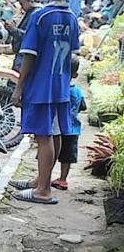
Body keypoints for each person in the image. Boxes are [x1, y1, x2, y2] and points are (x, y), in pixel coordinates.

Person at [10, 0, 81, 204]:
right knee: (55, 132)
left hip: (41, 85)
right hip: (60, 83)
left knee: (43, 136)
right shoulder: (70, 17)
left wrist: (19, 86)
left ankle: (43, 190)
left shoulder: (41, 16)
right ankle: (42, 180)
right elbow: (72, 51)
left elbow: (29, 55)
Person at [52, 58, 86, 191]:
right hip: (73, 130)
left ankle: (44, 176)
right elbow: (83, 106)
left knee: (53, 153)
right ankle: (62, 180)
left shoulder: (59, 90)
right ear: (75, 75)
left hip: (58, 128)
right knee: (67, 157)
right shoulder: (78, 91)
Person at [5, 0, 38, 70]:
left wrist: (14, 30)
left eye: (22, 4)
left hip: (26, 52)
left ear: (31, 2)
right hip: (21, 51)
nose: (21, 7)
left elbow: (30, 35)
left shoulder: (35, 15)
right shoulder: (29, 13)